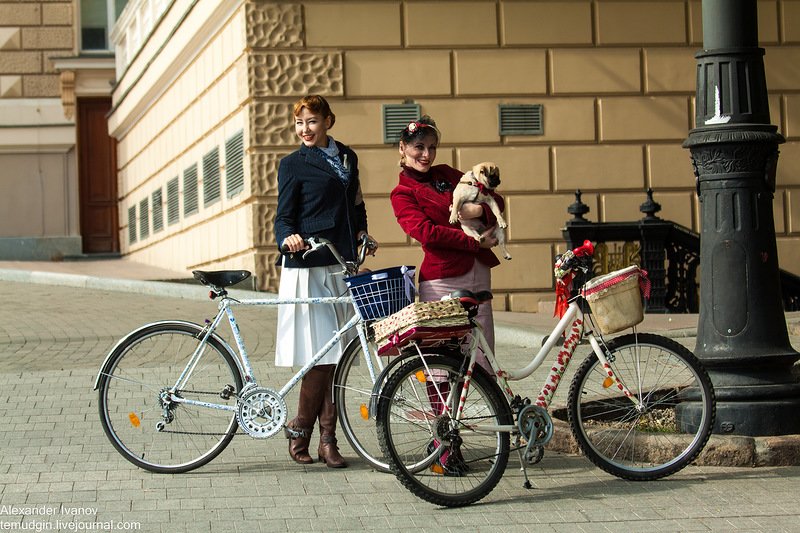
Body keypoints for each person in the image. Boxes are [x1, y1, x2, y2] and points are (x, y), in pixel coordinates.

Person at [274, 95, 376, 468]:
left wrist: (364, 232)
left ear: (328, 121)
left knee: (338, 358)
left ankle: (327, 441)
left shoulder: (348, 156)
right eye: (300, 123)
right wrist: (287, 238)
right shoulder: (292, 165)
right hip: (308, 266)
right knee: (321, 357)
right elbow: (283, 217)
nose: (305, 130)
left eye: (312, 122)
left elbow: (357, 205)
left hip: (341, 264)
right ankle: (301, 428)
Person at [390, 116, 504, 369]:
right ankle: (441, 411)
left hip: (479, 272)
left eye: (431, 147)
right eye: (419, 147)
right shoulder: (402, 193)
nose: (426, 154)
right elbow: (426, 232)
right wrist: (475, 243)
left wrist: (477, 213)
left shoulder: (448, 174)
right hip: (442, 278)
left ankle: (484, 409)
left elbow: (496, 199)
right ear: (402, 148)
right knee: (442, 361)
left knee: (483, 356)